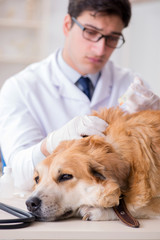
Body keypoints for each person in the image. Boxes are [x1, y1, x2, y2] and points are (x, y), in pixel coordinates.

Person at [0, 0, 159, 190]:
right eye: (90, 32)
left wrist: (151, 125)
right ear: (67, 25)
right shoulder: (20, 88)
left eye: (112, 38)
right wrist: (51, 143)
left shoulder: (131, 84)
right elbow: (18, 176)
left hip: (114, 208)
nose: (100, 49)